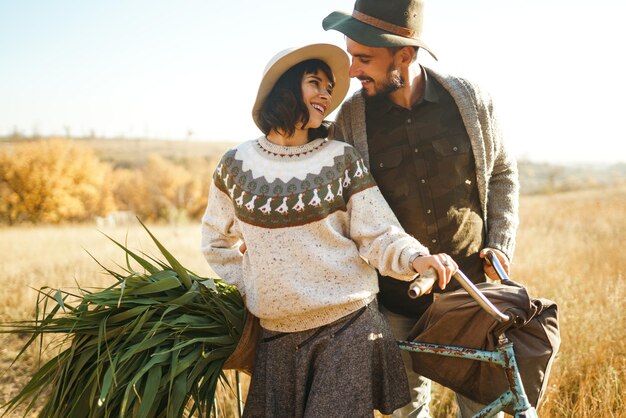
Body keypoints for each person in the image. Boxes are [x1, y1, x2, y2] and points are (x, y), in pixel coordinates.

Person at [201, 43, 458, 417]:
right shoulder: (235, 166)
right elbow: (215, 241)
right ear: (286, 87)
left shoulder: (341, 160)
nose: (325, 94)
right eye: (314, 83)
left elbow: (378, 233)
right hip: (275, 337)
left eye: (329, 87)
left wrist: (417, 259)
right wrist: (254, 283)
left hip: (347, 326)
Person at [322, 1, 520, 417]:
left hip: (473, 296)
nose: (353, 70)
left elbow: (501, 171)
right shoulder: (350, 121)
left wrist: (501, 242)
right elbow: (344, 210)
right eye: (350, 57)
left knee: (487, 408)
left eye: (364, 59)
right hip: (397, 304)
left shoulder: (469, 100)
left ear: (405, 55)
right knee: (405, 412)